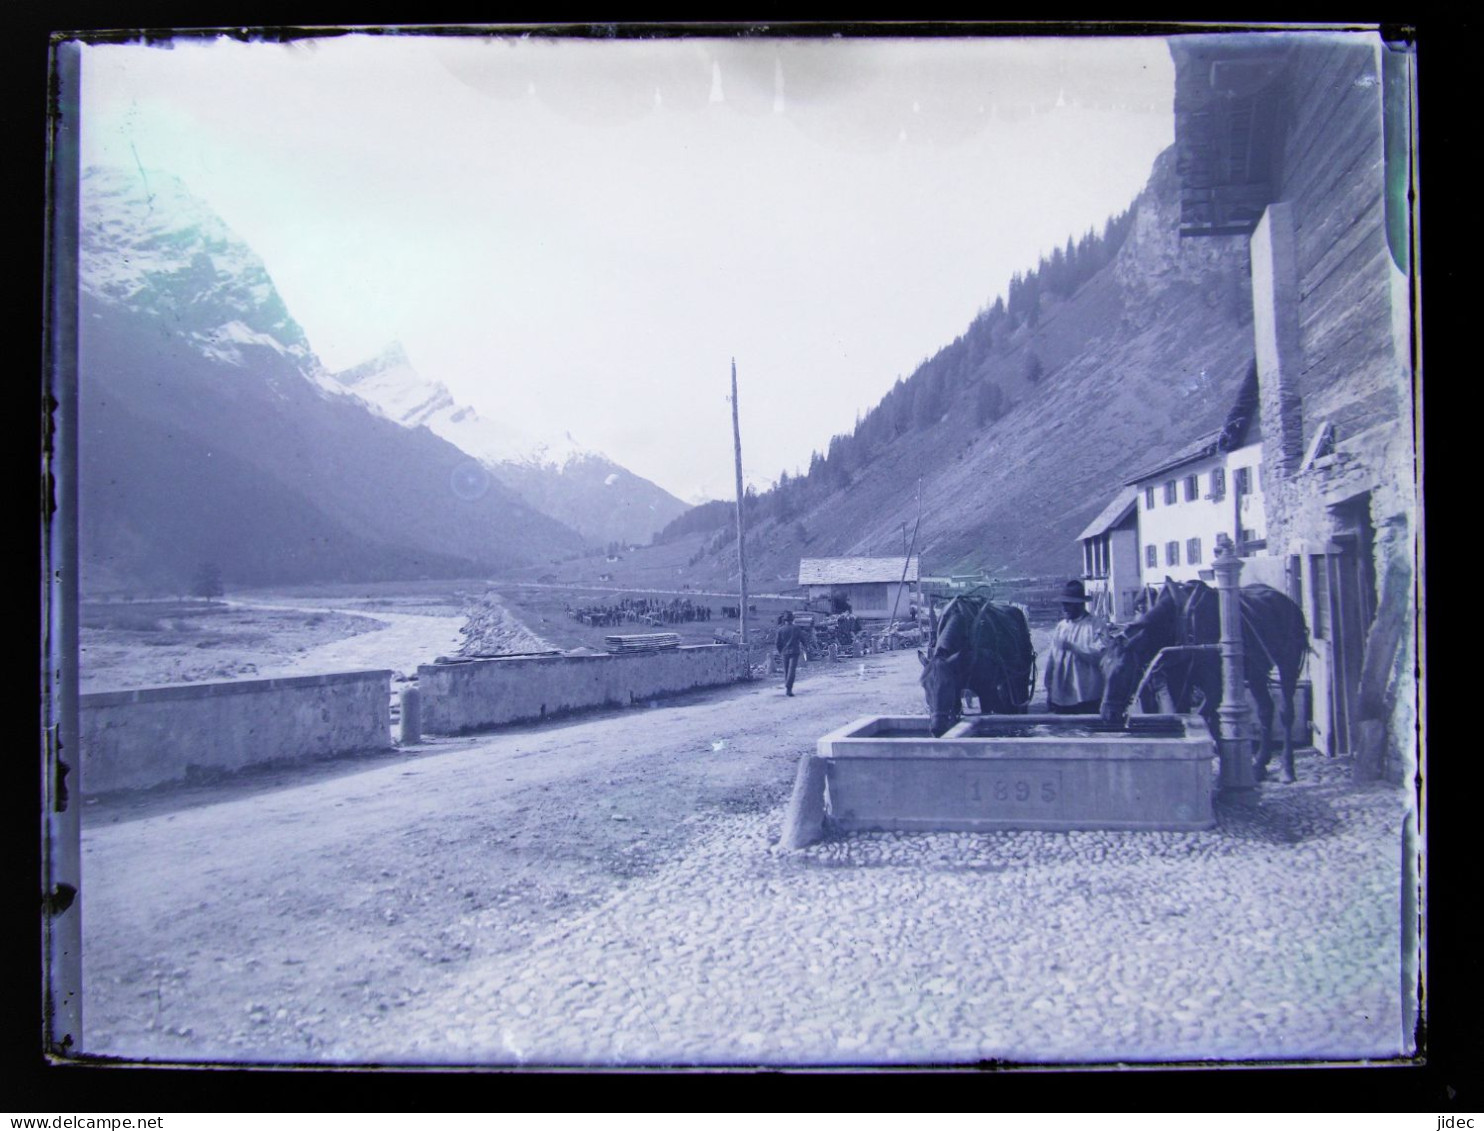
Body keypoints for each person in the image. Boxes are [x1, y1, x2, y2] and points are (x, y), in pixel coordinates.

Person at [1044, 579, 1108, 714]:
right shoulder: (1061, 627)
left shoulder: (1095, 625)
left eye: (1068, 604)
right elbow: (1051, 660)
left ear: (1080, 605)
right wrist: (1049, 689)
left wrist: (1074, 648)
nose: (1064, 608)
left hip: (1086, 697)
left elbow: (1101, 657)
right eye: (1063, 604)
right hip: (1060, 697)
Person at [775, 610, 805, 696]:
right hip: (794, 651)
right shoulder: (796, 628)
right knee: (791, 670)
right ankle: (789, 688)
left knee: (786, 670)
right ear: (792, 619)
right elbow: (802, 639)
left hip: (784, 652)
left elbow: (777, 643)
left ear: (784, 620)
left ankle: (788, 688)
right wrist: (805, 646)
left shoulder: (780, 630)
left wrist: (780, 651)